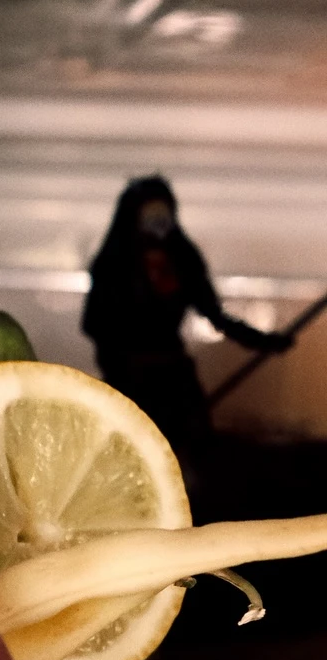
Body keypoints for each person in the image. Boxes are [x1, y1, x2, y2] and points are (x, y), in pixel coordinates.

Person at [82, 175, 293, 462]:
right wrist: (119, 370)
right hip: (130, 377)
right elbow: (94, 323)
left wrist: (264, 341)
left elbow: (214, 314)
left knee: (195, 450)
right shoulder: (113, 263)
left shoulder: (182, 258)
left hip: (174, 375)